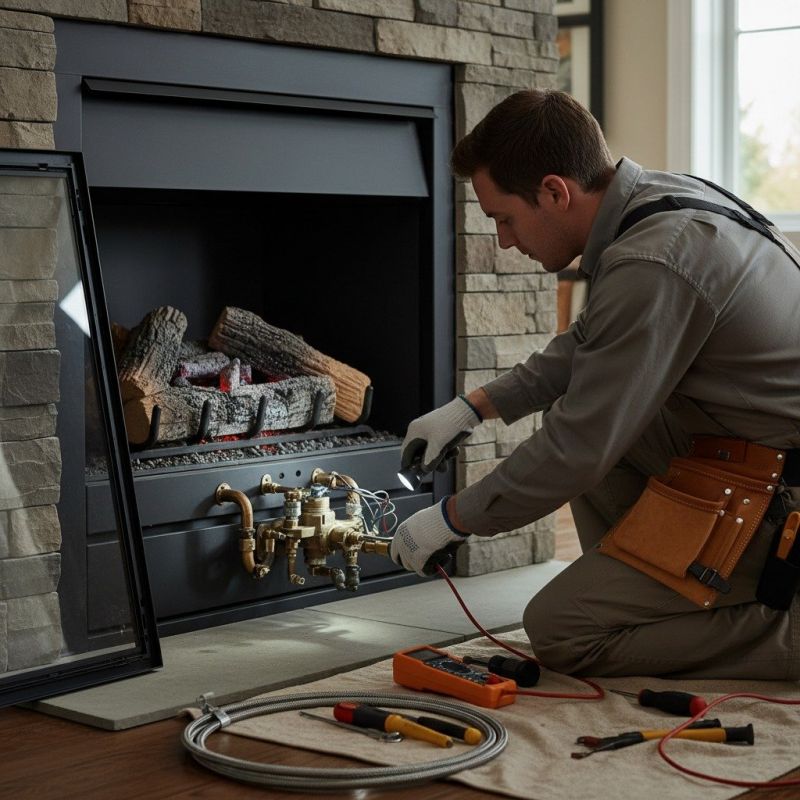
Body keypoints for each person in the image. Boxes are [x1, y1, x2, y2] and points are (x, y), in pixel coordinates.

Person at [390, 89, 800, 680]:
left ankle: (774, 624)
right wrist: (472, 408)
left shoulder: (654, 261)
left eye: (504, 218)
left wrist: (452, 519)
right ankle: (648, 596)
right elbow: (590, 345)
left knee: (562, 632)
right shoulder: (657, 204)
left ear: (555, 191)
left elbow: (577, 449)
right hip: (752, 456)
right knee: (599, 416)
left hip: (781, 499)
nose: (505, 240)